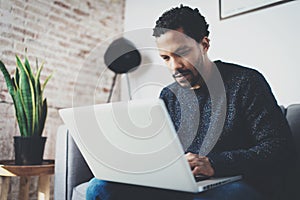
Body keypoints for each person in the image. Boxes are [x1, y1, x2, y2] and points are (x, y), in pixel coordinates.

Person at [86, 5, 297, 200]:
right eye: (166, 58)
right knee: (99, 187)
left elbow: (278, 147)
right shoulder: (168, 96)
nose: (175, 66)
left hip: (235, 182)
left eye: (182, 53)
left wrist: (214, 164)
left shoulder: (246, 82)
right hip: (182, 186)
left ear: (204, 44)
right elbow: (165, 153)